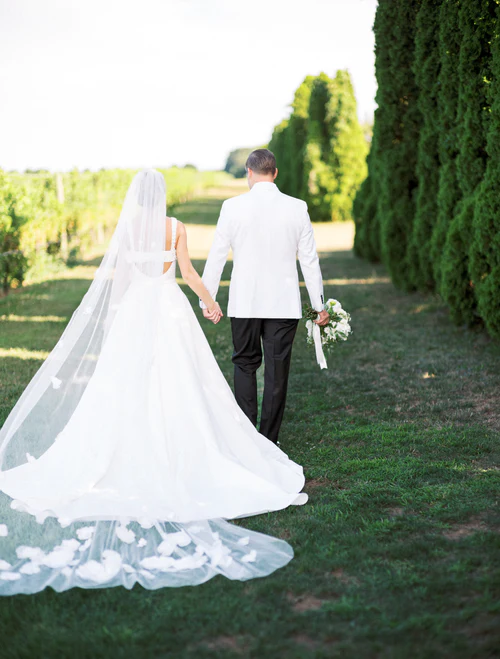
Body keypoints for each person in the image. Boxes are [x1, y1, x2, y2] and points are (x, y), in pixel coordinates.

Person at [0, 169, 307, 595]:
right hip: (168, 309)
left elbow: (121, 280)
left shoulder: (127, 229)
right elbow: (187, 272)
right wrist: (210, 303)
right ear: (161, 196)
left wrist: (116, 318)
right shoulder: (175, 228)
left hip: (136, 310)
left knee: (127, 381)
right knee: (181, 379)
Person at [201, 149, 329, 444]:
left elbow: (217, 256)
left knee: (244, 364)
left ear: (249, 171)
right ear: (275, 172)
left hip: (244, 302)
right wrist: (318, 305)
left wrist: (207, 299)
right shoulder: (297, 207)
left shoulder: (232, 207)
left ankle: (248, 440)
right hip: (283, 304)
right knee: (276, 370)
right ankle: (268, 441)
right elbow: (309, 260)